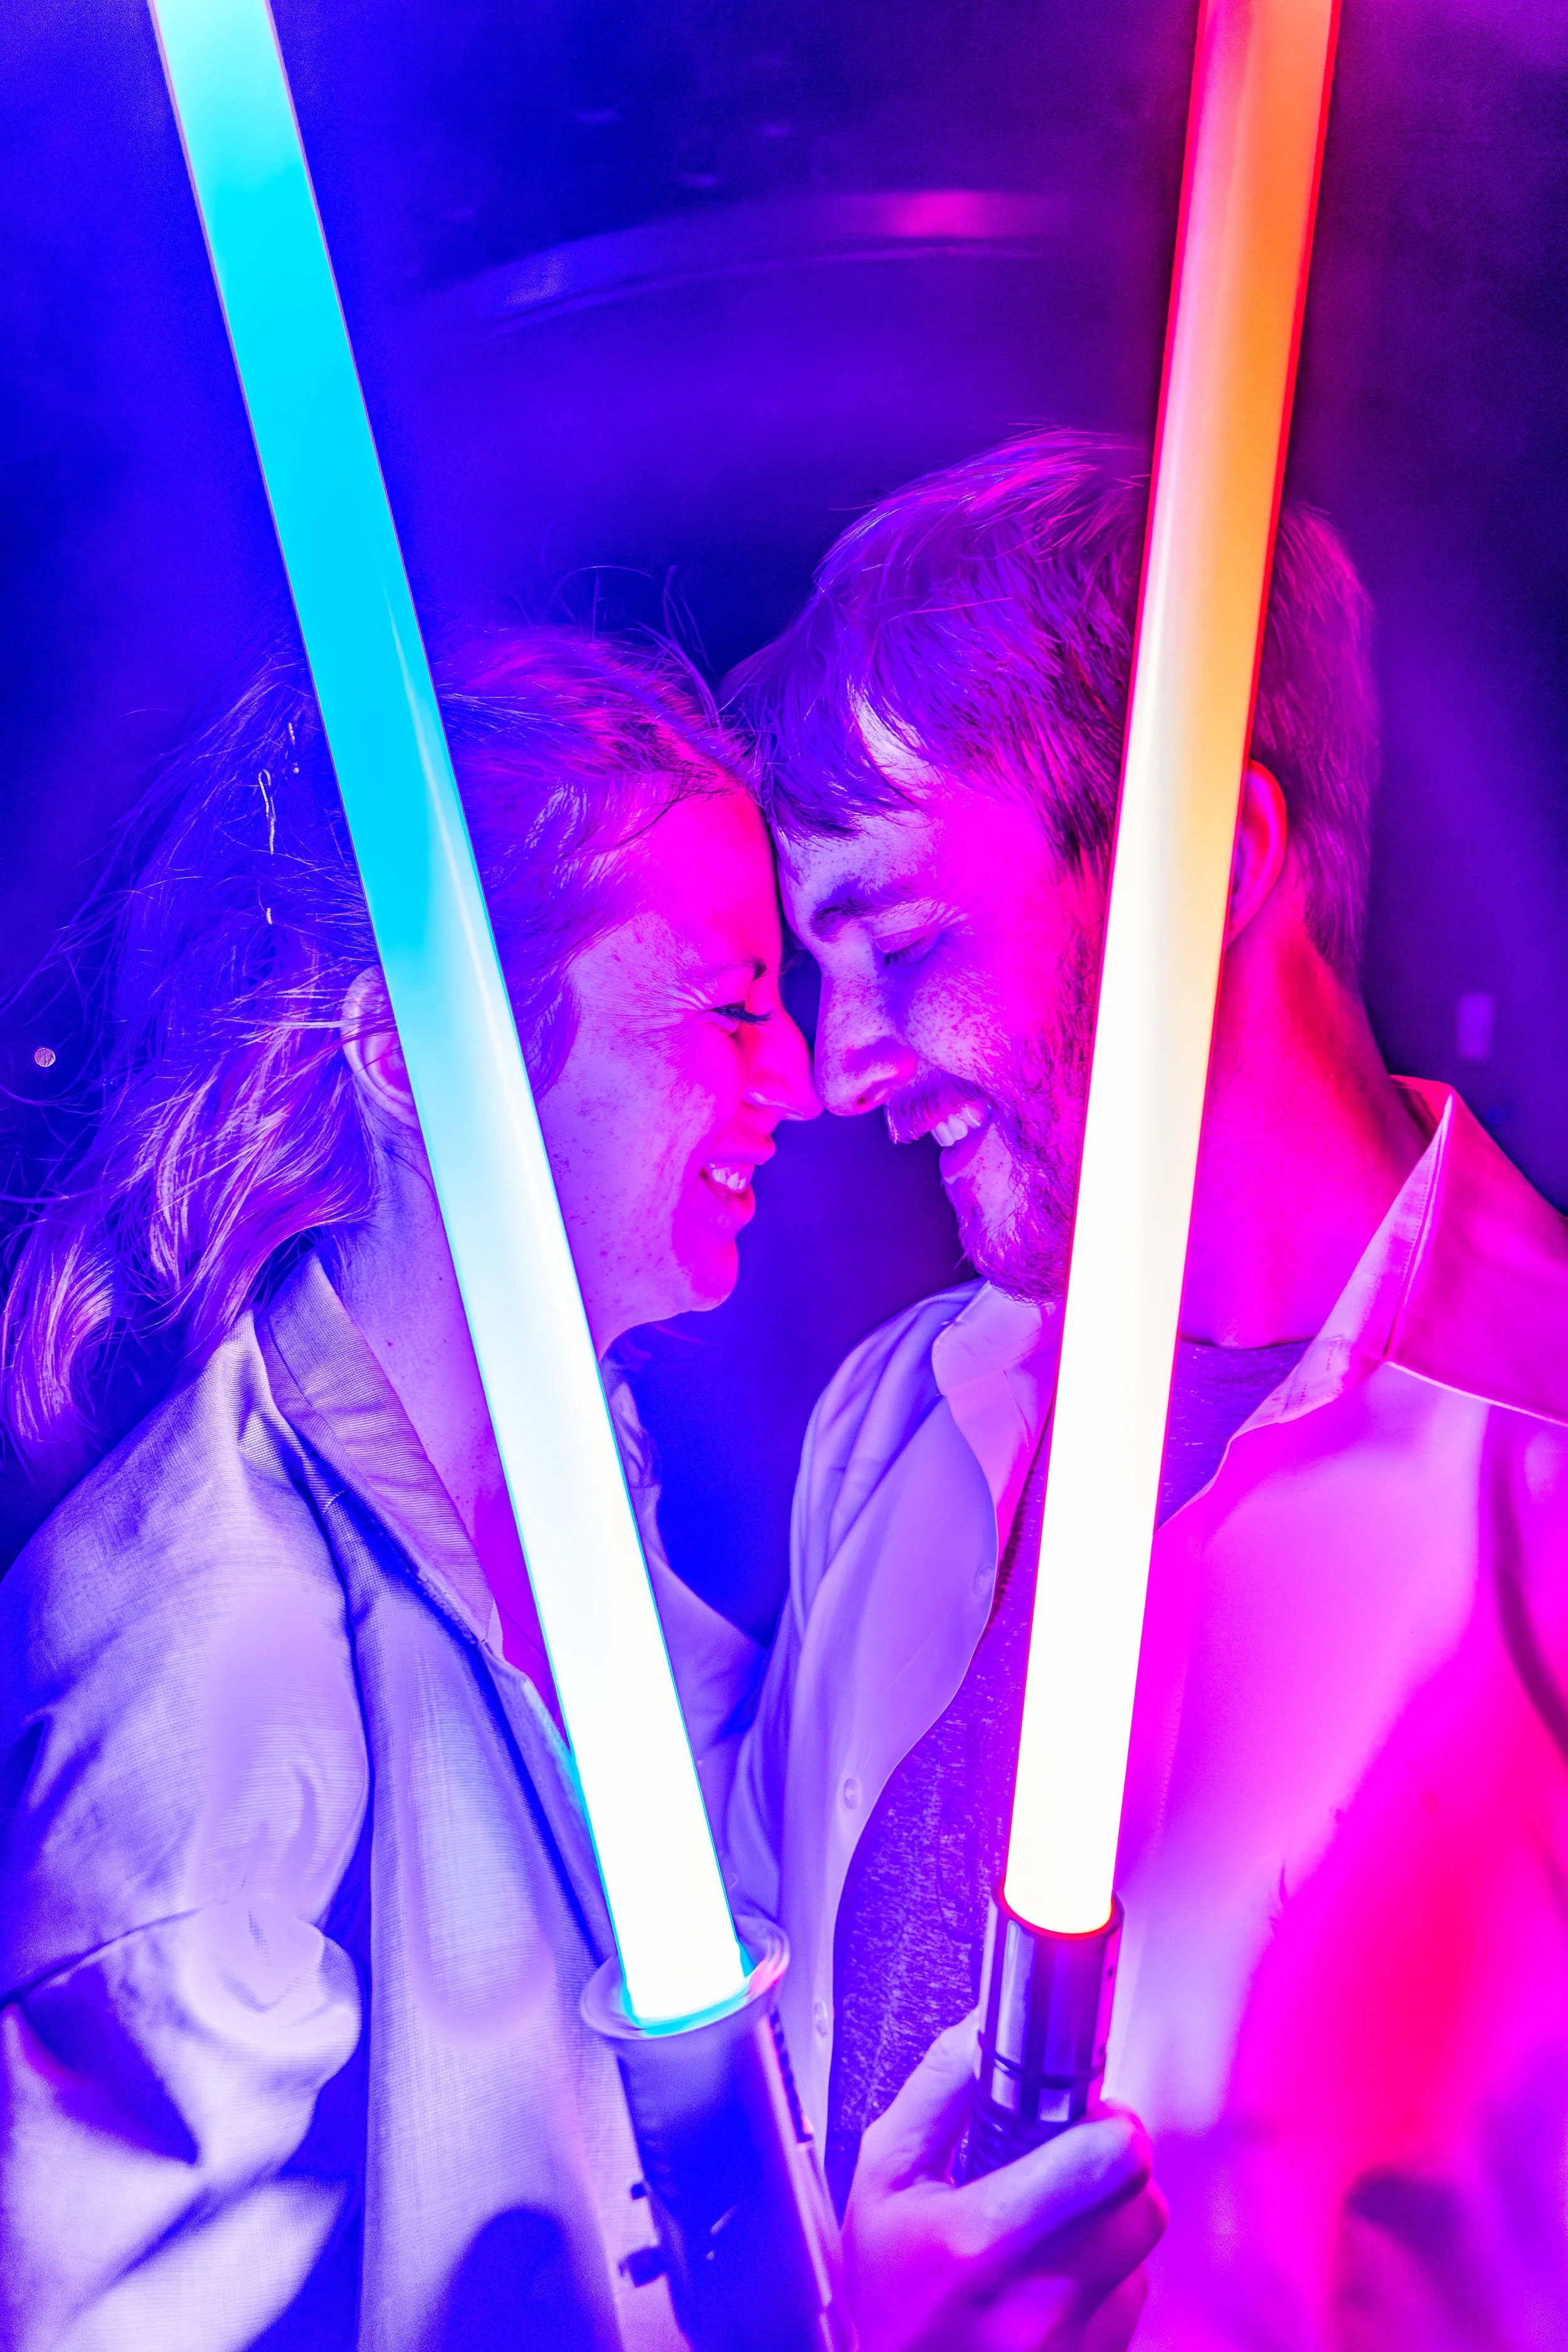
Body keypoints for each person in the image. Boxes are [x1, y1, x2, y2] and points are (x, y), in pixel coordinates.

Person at [0, 627, 1164, 2351]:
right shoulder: (209, 1676)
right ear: (415, 1055)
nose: (802, 1081)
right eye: (726, 1008)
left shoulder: (581, 1485)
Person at [724, 430, 1568, 2351]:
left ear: (1215, 869)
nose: (841, 1066)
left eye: (903, 944)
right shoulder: (896, 1415)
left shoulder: (1536, 1501)